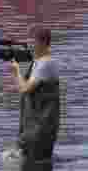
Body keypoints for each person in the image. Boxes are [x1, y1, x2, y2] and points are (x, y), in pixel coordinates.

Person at [10, 25, 61, 161]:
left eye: (33, 42)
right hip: (37, 126)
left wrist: (16, 73)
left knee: (33, 163)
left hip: (40, 127)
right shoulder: (41, 62)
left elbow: (25, 88)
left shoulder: (45, 64)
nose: (30, 45)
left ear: (42, 43)